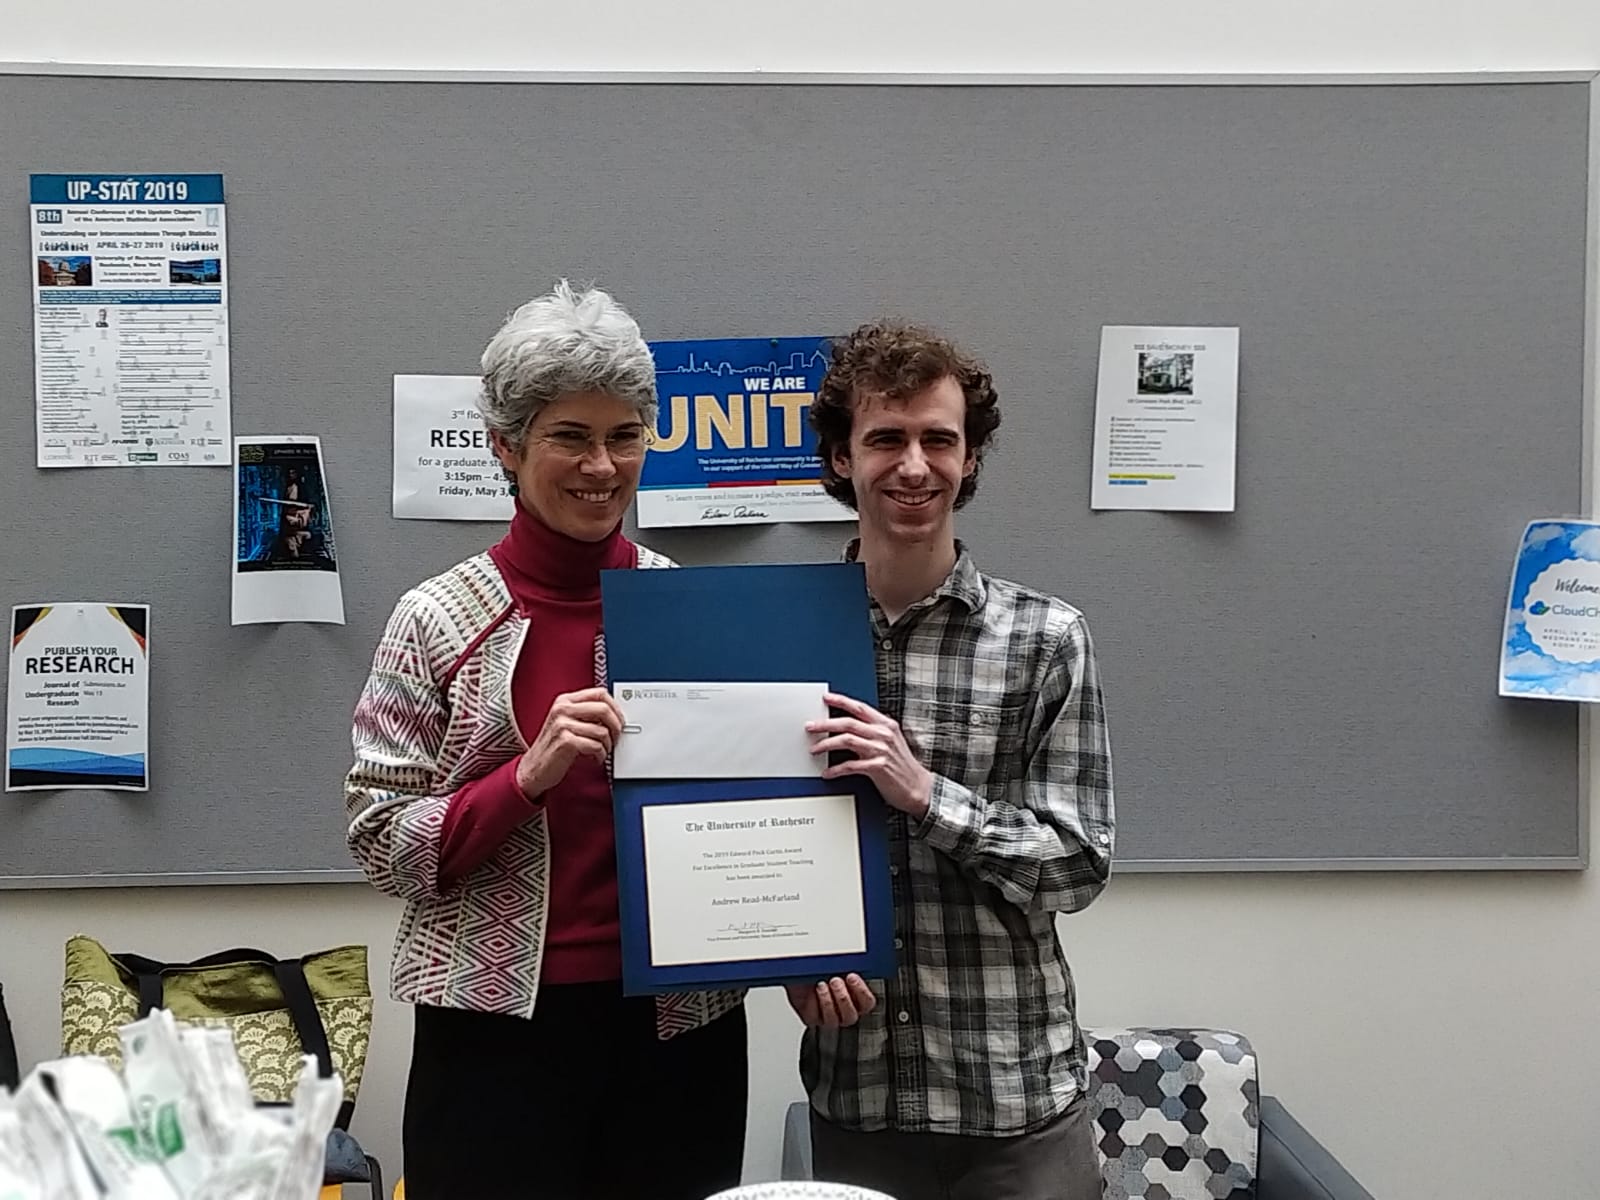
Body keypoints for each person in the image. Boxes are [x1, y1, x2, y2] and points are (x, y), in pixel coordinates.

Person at [344, 281, 751, 1200]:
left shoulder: (687, 606)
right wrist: (522, 778)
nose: (602, 466)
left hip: (679, 1029)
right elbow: (379, 842)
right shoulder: (436, 618)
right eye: (570, 436)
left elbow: (752, 810)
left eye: (624, 436)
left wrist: (804, 944)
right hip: (493, 1039)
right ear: (506, 445)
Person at [795, 321, 1117, 1200]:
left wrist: (924, 793)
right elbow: (755, 843)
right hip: (859, 1093)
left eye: (940, 439)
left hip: (1013, 1101)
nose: (914, 465)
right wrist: (785, 954)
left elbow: (1079, 863)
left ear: (970, 460)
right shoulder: (779, 639)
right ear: (838, 458)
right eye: (885, 438)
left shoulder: (1045, 639)